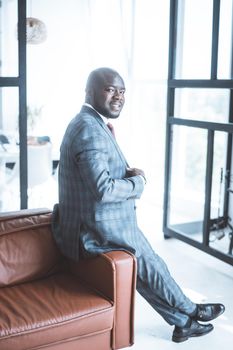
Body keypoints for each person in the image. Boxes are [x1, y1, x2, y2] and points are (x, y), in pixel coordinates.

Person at [52, 67, 225, 343]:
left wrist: (126, 172)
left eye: (122, 91)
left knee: (145, 265)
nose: (118, 96)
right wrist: (139, 183)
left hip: (95, 221)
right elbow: (103, 189)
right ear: (89, 92)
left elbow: (98, 176)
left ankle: (183, 323)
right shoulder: (89, 129)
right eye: (110, 89)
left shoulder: (91, 123)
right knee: (149, 262)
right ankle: (192, 309)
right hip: (91, 230)